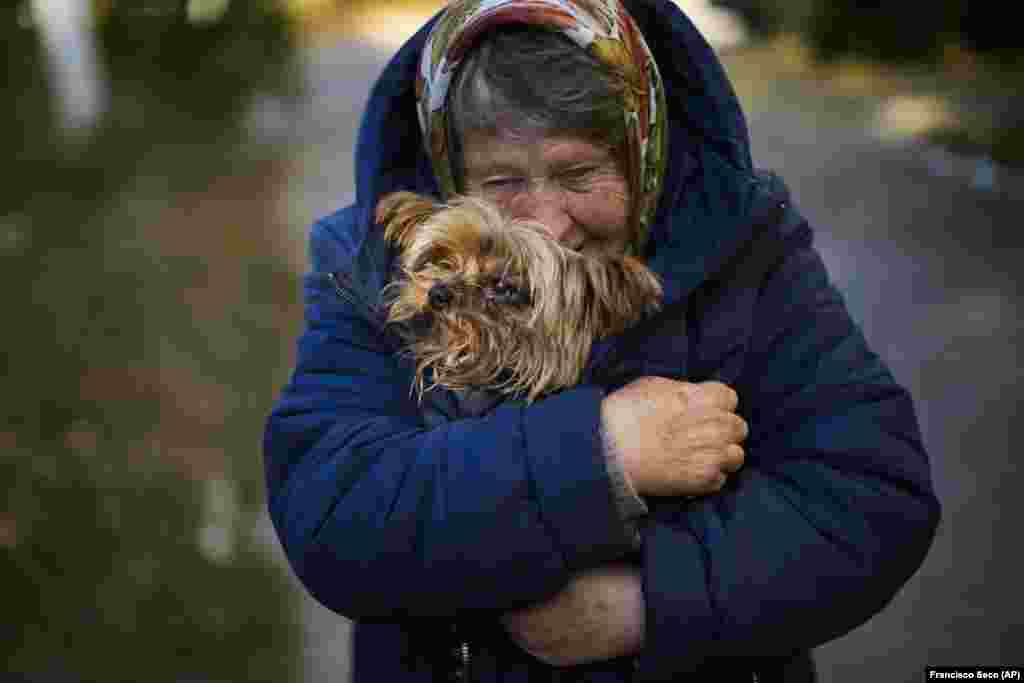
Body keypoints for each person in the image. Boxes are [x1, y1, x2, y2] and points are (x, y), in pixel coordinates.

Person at [263, 0, 942, 680]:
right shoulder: (368, 263)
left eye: (581, 174)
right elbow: (332, 514)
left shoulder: (747, 250)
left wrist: (650, 602)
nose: (548, 226)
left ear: (646, 152)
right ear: (450, 174)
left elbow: (872, 503)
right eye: (501, 183)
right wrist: (600, 451)